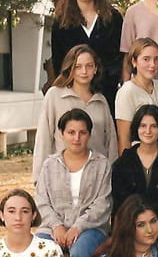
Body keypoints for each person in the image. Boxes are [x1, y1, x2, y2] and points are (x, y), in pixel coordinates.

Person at [35, 109, 112, 257]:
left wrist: (78, 227)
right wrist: (57, 226)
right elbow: (42, 201)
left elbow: (103, 203)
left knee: (80, 252)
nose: (76, 138)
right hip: (53, 228)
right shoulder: (50, 165)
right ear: (61, 134)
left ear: (89, 134)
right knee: (40, 250)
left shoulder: (101, 164)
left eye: (82, 132)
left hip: (90, 228)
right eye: (71, 132)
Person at [33, 45, 117, 181]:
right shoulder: (55, 95)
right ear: (70, 68)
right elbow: (43, 138)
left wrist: (113, 176)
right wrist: (38, 178)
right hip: (62, 176)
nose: (84, 71)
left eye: (89, 66)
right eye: (78, 67)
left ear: (96, 69)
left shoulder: (101, 101)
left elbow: (110, 142)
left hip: (96, 177)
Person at [51, 0, 123, 115]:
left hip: (107, 95)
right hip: (73, 96)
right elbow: (59, 62)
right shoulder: (61, 22)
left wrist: (107, 83)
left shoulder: (113, 18)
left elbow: (119, 58)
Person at [112, 105, 158, 250]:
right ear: (136, 128)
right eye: (143, 126)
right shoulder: (123, 163)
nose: (148, 131)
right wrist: (139, 225)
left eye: (153, 126)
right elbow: (120, 203)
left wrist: (152, 225)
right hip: (131, 225)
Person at [115, 37, 158, 155]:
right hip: (139, 158)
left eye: (156, 59)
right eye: (146, 59)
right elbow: (124, 138)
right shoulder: (127, 91)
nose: (152, 64)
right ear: (134, 61)